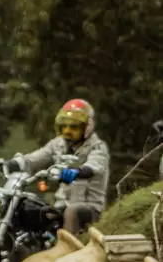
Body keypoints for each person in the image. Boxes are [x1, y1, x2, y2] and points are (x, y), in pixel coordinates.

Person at [6, 99, 110, 234]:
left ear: (87, 127)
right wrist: (10, 164)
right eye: (64, 126)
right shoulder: (58, 144)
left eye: (74, 127)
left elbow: (95, 165)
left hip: (89, 209)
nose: (67, 131)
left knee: (72, 211)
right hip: (61, 206)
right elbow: (33, 159)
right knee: (32, 210)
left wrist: (77, 172)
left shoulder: (97, 147)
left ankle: (67, 252)